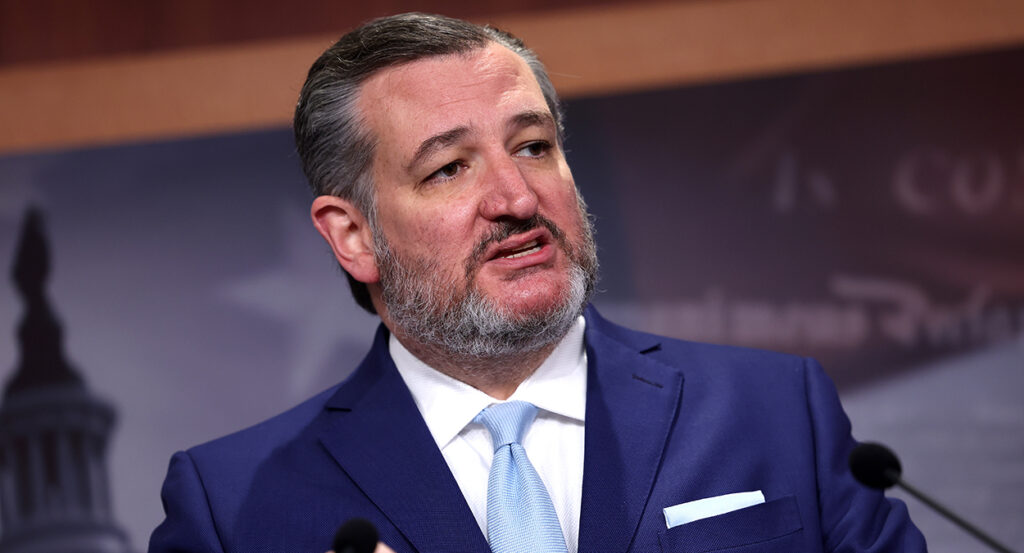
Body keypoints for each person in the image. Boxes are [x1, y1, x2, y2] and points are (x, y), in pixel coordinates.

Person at [149, 12, 926, 553]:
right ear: (354, 235)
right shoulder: (234, 504)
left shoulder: (774, 413)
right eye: (449, 168)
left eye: (532, 146)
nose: (517, 199)